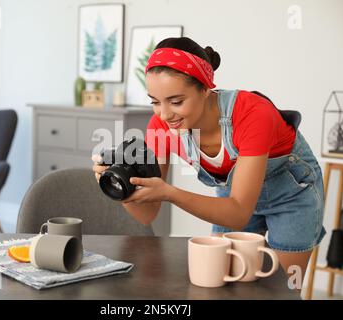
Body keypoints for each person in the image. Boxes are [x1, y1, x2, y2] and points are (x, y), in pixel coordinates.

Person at [92, 37, 325, 282]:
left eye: (176, 101)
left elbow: (237, 214)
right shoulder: (160, 126)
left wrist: (169, 193)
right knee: (224, 282)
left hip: (291, 194)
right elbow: (147, 214)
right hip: (234, 195)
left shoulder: (254, 114)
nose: (164, 114)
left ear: (205, 89)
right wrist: (122, 188)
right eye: (155, 102)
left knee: (282, 289)